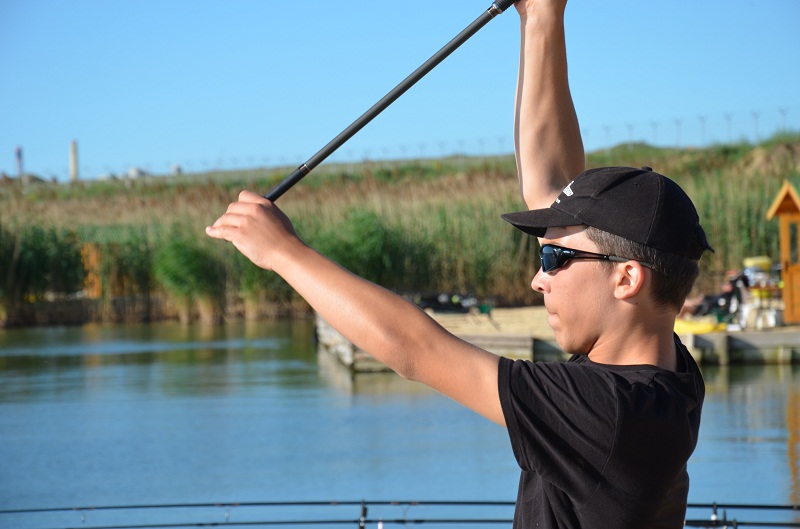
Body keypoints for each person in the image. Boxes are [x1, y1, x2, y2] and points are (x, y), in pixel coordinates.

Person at [206, 0, 711, 526]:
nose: (537, 279)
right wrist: (542, 17)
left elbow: (416, 349)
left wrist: (284, 252)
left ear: (627, 278)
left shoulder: (612, 415)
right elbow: (551, 185)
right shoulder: (664, 373)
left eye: (555, 258)